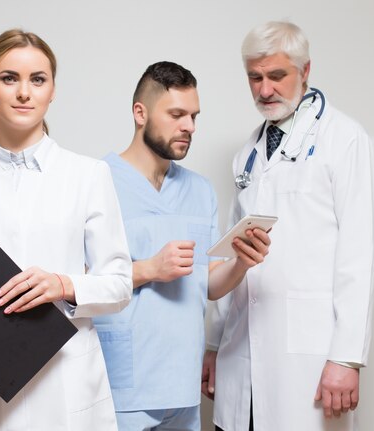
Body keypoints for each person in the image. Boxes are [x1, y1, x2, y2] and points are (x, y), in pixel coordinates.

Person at [0, 29, 133, 431]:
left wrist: (63, 284)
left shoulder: (88, 175)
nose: (24, 93)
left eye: (38, 79)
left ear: (52, 91)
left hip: (64, 384)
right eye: (8, 78)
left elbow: (119, 284)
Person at [202, 21, 374, 431]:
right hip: (240, 352)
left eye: (276, 75)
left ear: (305, 71)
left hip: (309, 358)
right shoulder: (248, 153)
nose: (264, 90)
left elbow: (360, 255)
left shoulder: (346, 140)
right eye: (255, 77)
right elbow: (234, 252)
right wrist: (214, 342)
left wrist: (346, 357)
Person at [92, 61, 271, 431]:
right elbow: (75, 284)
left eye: (193, 116)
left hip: (182, 389)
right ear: (139, 113)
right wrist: (149, 269)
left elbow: (206, 284)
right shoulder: (96, 183)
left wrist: (240, 263)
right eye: (176, 114)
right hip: (121, 388)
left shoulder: (200, 190)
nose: (189, 126)